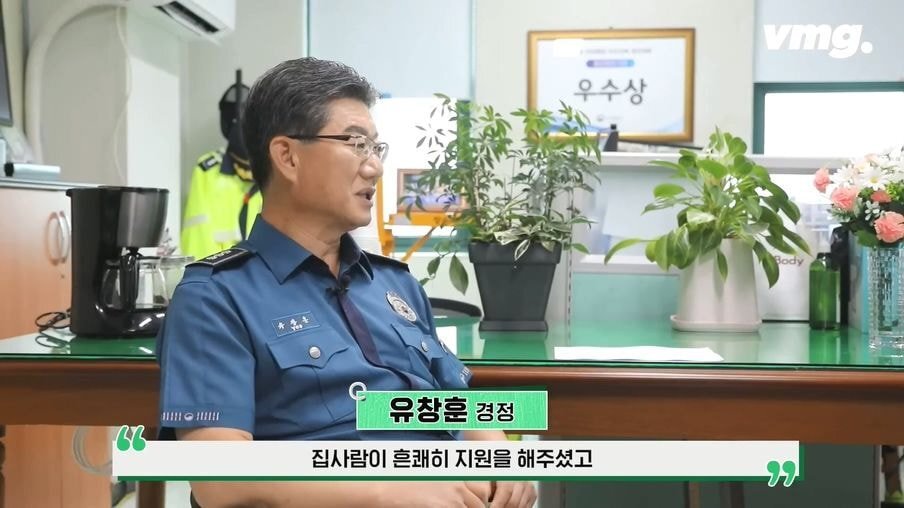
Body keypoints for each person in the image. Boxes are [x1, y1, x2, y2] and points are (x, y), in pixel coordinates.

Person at [156, 57, 537, 508]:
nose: (374, 167)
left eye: (376, 148)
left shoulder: (395, 285)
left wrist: (499, 454)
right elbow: (220, 481)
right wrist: (388, 491)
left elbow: (453, 400)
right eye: (356, 144)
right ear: (287, 156)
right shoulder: (215, 298)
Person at [180, 81, 263, 261]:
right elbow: (198, 238)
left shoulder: (273, 168)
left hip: (265, 273)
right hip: (218, 272)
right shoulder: (207, 170)